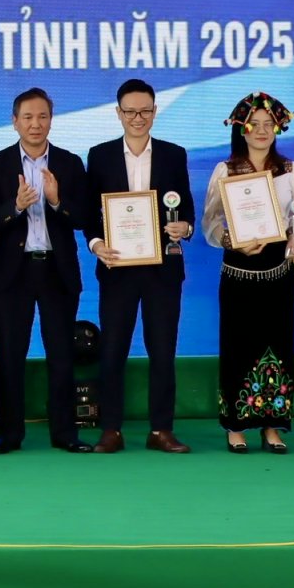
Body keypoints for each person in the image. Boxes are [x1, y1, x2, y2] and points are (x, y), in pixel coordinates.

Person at [83, 78, 196, 454]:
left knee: (163, 351)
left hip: (163, 270)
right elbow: (90, 213)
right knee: (112, 350)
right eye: (130, 111)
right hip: (116, 268)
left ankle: (161, 430)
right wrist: (97, 244)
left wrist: (185, 227)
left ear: (155, 112)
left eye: (145, 111)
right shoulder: (99, 155)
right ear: (118, 113)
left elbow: (186, 208)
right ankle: (110, 430)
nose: (138, 118)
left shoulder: (173, 154)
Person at [0, 87, 91, 453]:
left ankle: (65, 433)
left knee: (62, 355)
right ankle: (9, 434)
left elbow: (84, 216)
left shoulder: (70, 163)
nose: (35, 124)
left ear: (51, 120)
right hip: (13, 272)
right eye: (27, 117)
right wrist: (15, 206)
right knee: (9, 355)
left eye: (42, 116)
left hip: (57, 271)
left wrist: (57, 201)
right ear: (15, 122)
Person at [201, 91, 294, 454]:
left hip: (279, 271)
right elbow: (210, 221)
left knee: (278, 344)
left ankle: (272, 427)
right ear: (241, 129)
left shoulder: (290, 171)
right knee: (237, 345)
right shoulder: (226, 170)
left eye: (269, 125)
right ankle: (235, 427)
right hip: (238, 271)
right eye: (255, 125)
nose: (262, 131)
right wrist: (230, 240)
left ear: (277, 129)